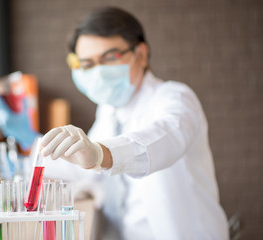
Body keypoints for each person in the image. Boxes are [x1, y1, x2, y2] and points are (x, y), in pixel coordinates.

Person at [38, 6, 229, 240]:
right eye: (87, 64)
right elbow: (82, 166)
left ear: (141, 54)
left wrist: (99, 154)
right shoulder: (109, 112)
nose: (98, 72)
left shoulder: (175, 98)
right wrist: (36, 147)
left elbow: (162, 140)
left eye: (110, 57)